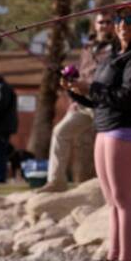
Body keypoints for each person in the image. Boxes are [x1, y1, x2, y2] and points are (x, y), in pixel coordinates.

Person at [62, 4, 131, 261]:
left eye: (130, 19)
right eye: (118, 19)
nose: (122, 24)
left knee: (123, 198)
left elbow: (128, 96)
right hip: (105, 128)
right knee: (111, 199)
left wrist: (90, 88)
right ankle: (112, 258)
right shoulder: (114, 55)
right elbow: (99, 97)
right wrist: (76, 92)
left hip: (126, 130)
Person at [43, 13, 117, 192]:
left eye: (108, 22)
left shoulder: (118, 47)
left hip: (104, 103)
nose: (104, 25)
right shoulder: (87, 47)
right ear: (95, 25)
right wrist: (69, 78)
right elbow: (83, 72)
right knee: (60, 132)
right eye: (101, 22)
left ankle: (115, 185)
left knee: (111, 144)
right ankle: (56, 182)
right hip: (81, 104)